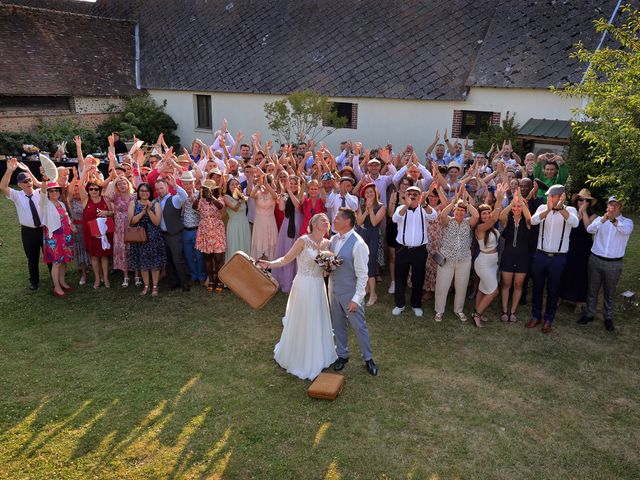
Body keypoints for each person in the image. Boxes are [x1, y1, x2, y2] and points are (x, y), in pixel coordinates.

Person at [259, 214, 337, 380]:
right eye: (322, 220)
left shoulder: (328, 244)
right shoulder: (303, 241)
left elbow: (326, 271)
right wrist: (270, 264)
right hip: (303, 285)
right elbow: (286, 259)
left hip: (318, 286)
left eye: (327, 221)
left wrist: (329, 264)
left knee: (317, 319)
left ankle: (318, 355)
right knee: (303, 319)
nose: (326, 222)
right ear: (314, 224)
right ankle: (299, 357)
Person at [329, 208, 378, 376]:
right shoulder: (333, 239)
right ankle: (342, 354)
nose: (334, 220)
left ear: (347, 221)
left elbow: (363, 275)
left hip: (350, 293)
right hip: (334, 291)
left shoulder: (359, 244)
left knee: (359, 326)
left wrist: (357, 299)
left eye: (337, 218)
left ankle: (368, 358)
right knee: (338, 324)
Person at [526, 184, 579, 333]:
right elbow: (534, 221)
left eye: (553, 196)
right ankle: (536, 317)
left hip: (558, 258)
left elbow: (575, 223)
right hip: (540, 255)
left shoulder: (570, 210)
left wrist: (561, 208)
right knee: (537, 287)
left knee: (553, 290)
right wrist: (548, 210)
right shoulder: (543, 208)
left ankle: (548, 319)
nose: (550, 198)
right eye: (549, 195)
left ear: (562, 196)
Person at [579, 196, 634, 331]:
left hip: (614, 263)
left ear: (620, 207)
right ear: (607, 207)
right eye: (611, 205)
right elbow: (590, 230)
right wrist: (604, 220)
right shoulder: (600, 220)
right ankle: (590, 313)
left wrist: (613, 220)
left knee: (610, 292)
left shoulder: (627, 222)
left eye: (616, 205)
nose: (613, 207)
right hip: (596, 259)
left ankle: (608, 317)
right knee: (592, 289)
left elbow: (624, 231)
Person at [391, 186, 438, 317]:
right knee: (400, 277)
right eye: (409, 193)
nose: (412, 196)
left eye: (415, 194)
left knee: (418, 277)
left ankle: (416, 304)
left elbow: (433, 216)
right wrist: (406, 205)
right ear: (405, 196)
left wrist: (424, 204)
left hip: (419, 250)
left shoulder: (424, 209)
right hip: (402, 249)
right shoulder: (400, 208)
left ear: (420, 196)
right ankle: (399, 304)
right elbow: (395, 219)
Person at [434, 194, 479, 323]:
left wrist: (467, 203)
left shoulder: (468, 223)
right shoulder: (448, 221)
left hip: (463, 260)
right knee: (442, 286)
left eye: (462, 210)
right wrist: (453, 202)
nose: (460, 212)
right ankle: (439, 311)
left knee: (461, 286)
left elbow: (476, 216)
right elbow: (442, 215)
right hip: (446, 259)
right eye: (458, 209)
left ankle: (458, 310)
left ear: (465, 213)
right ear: (454, 210)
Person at [1, 158, 44, 290]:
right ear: (19, 184)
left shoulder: (40, 192)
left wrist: (28, 171)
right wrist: (9, 170)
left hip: (44, 229)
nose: (28, 183)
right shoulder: (17, 195)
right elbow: (3, 186)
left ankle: (55, 279)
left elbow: (45, 184)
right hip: (28, 232)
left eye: (29, 180)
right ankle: (34, 281)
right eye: (25, 181)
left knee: (50, 255)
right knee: (32, 258)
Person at [471, 184, 507, 327]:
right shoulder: (480, 228)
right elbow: (493, 219)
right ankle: (476, 314)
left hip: (492, 262)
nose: (486, 216)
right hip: (483, 262)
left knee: (483, 288)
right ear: (479, 216)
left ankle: (478, 310)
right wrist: (499, 200)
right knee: (494, 291)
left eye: (488, 212)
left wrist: (496, 201)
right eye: (483, 214)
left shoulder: (492, 228)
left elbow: (494, 219)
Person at [559, 188, 597, 313]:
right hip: (569, 245)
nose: (583, 202)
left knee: (581, 274)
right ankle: (561, 296)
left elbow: (588, 229)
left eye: (586, 200)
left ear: (589, 203)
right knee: (565, 271)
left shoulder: (593, 215)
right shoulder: (571, 211)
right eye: (581, 199)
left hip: (584, 248)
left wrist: (584, 212)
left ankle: (579, 302)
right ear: (577, 200)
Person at [498, 189, 532, 322]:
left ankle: (513, 311)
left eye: (519, 206)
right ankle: (504, 310)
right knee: (506, 283)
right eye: (515, 207)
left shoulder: (527, 222)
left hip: (522, 257)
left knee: (518, 285)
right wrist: (513, 202)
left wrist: (522, 203)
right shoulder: (508, 220)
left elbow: (529, 218)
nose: (517, 208)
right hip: (508, 256)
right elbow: (501, 216)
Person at [128, 183, 166, 296]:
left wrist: (149, 210)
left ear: (150, 192)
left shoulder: (156, 204)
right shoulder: (133, 203)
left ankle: (154, 286)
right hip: (139, 237)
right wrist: (143, 212)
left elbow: (157, 222)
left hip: (153, 236)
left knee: (154, 263)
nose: (144, 193)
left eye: (146, 191)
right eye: (141, 191)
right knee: (143, 263)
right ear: (138, 192)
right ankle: (146, 286)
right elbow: (132, 221)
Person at [80, 166, 113, 289]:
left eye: (96, 189)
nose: (93, 191)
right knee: (94, 257)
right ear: (88, 190)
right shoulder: (85, 200)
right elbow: (80, 185)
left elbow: (112, 213)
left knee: (104, 256)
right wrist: (85, 171)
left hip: (104, 233)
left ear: (100, 190)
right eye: (91, 189)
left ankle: (105, 278)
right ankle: (97, 279)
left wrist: (106, 213)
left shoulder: (105, 200)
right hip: (91, 233)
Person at [156, 176, 191, 291]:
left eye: (161, 188)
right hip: (163, 235)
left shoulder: (174, 199)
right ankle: (174, 282)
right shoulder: (156, 201)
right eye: (157, 189)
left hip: (175, 235)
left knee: (178, 260)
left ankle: (184, 284)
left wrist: (175, 186)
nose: (160, 191)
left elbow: (185, 197)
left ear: (167, 187)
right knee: (169, 260)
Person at [40, 181, 75, 297]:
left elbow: (66, 217)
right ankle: (57, 287)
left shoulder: (61, 203)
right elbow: (43, 192)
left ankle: (63, 282)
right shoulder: (45, 203)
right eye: (51, 191)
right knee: (56, 262)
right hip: (54, 237)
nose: (54, 192)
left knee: (64, 261)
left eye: (56, 190)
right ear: (48, 193)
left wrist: (71, 225)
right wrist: (44, 180)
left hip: (65, 235)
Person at [355, 183, 386, 306]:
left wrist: (371, 209)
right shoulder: (362, 205)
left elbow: (374, 223)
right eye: (367, 192)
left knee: (371, 264)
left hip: (373, 236)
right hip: (362, 235)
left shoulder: (381, 206)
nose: (369, 194)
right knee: (362, 263)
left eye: (371, 192)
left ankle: (373, 294)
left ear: (375, 193)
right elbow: (359, 221)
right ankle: (366, 288)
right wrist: (366, 210)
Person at [272, 175, 303, 292]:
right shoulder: (285, 195)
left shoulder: (301, 195)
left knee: (295, 252)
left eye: (295, 184)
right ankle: (284, 281)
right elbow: (281, 208)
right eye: (291, 183)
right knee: (285, 251)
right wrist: (283, 195)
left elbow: (298, 205)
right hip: (287, 225)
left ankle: (295, 281)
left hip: (297, 225)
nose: (293, 186)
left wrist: (289, 191)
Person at [194, 180, 226, 293]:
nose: (208, 191)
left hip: (217, 231)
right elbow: (194, 207)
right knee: (207, 258)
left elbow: (221, 206)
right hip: (205, 231)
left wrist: (212, 197)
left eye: (210, 189)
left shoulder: (219, 198)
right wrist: (199, 195)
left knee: (218, 258)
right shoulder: (200, 201)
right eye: (206, 189)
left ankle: (220, 280)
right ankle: (211, 280)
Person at [385, 177, 413, 295]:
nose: (404, 186)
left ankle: (407, 278)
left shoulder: (413, 196)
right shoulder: (394, 195)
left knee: (407, 257)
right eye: (402, 183)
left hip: (407, 230)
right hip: (394, 229)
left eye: (407, 184)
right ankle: (394, 281)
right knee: (393, 257)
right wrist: (393, 201)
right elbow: (390, 214)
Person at [106, 175, 135, 287]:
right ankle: (126, 276)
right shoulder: (115, 197)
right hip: (119, 229)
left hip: (132, 226)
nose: (122, 186)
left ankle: (137, 274)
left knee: (133, 248)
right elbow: (107, 195)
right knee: (122, 250)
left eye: (124, 183)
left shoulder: (134, 196)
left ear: (128, 184)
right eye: (119, 184)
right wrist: (115, 181)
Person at [180, 170, 207, 285]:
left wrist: (192, 201)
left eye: (190, 183)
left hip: (197, 230)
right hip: (185, 230)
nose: (188, 186)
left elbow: (201, 212)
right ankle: (193, 275)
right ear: (182, 184)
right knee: (188, 255)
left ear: (193, 183)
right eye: (185, 184)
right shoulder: (180, 196)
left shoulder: (198, 195)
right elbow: (179, 213)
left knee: (199, 255)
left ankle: (201, 276)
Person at [250, 173, 278, 260]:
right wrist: (258, 185)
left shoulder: (273, 194)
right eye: (264, 182)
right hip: (259, 223)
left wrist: (267, 185)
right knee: (259, 244)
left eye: (267, 182)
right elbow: (251, 195)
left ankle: (269, 269)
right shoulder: (257, 193)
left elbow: (275, 196)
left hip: (270, 222)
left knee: (270, 245)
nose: (265, 184)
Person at [224, 177, 251, 261]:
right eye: (232, 184)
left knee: (244, 245)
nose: (234, 186)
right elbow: (234, 208)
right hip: (233, 225)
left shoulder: (243, 196)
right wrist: (240, 200)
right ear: (228, 187)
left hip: (244, 224)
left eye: (236, 184)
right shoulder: (226, 197)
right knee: (234, 246)